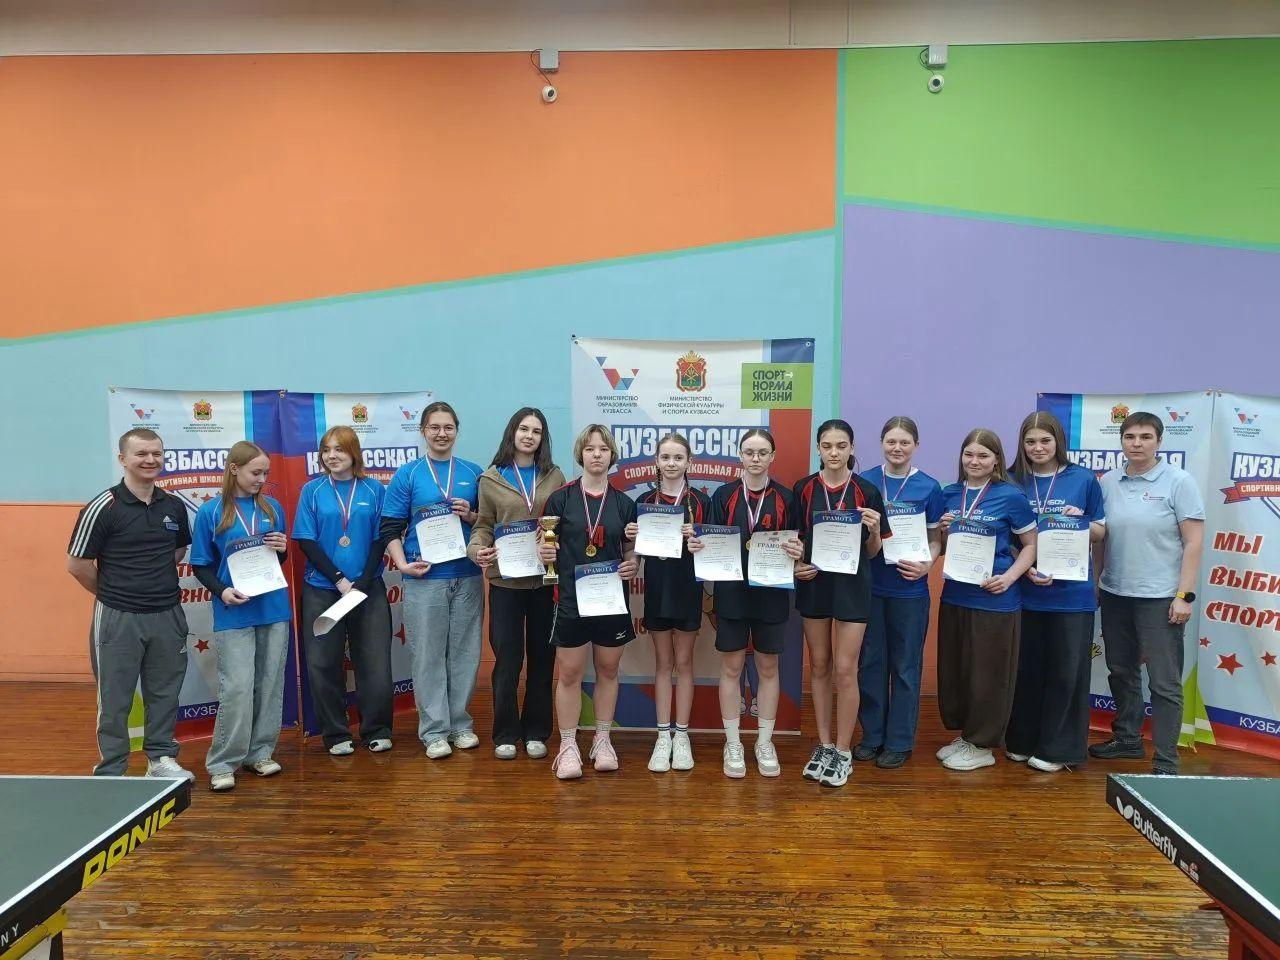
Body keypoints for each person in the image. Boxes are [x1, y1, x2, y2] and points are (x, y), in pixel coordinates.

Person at [67, 428, 195, 780]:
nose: (150, 460)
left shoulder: (173, 506)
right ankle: (112, 770)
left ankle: (161, 759)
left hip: (167, 614)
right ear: (123, 458)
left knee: (165, 693)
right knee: (115, 697)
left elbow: (177, 551)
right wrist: (115, 594)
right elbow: (77, 565)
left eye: (156, 453)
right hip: (118, 616)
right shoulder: (103, 506)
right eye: (141, 454)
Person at [1090, 411, 1205, 776]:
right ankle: (1127, 739)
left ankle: (1166, 761)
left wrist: (1184, 595)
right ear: (1121, 441)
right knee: (1120, 670)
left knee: (1163, 682)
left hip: (1161, 598)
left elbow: (1194, 542)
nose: (1137, 443)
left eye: (1145, 437)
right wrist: (1097, 580)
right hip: (1115, 592)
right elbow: (1101, 539)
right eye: (1130, 437)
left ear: (1159, 441)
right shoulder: (1109, 481)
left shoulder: (1179, 481)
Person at [690, 428, 800, 780]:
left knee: (768, 667)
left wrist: (799, 550)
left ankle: (764, 742)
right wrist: (698, 546)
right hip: (732, 593)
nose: (755, 458)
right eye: (749, 452)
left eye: (762, 452)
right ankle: (733, 742)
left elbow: (800, 542)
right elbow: (710, 541)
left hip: (771, 593)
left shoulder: (786, 497)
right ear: (740, 455)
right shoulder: (723, 496)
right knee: (732, 667)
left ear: (772, 456)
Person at [381, 401, 484, 759]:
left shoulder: (474, 472)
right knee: (427, 656)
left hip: (467, 577)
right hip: (424, 578)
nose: (442, 434)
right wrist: (402, 565)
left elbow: (486, 524)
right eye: (435, 427)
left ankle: (460, 725)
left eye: (448, 427)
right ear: (423, 430)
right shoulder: (408, 475)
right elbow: (390, 527)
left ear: (457, 430)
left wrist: (471, 515)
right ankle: (434, 731)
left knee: (465, 655)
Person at [1005, 412, 1106, 772]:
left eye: (1045, 441)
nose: (1038, 448)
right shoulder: (1012, 480)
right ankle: (1022, 740)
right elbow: (1006, 535)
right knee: (1026, 671)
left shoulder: (1082, 479)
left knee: (1067, 672)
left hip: (1071, 595)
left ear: (1058, 442)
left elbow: (1101, 531)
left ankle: (1059, 749)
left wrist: (1080, 522)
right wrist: (1024, 566)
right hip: (1025, 591)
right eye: (1030, 441)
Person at [190, 440, 292, 792]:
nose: (261, 479)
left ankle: (260, 753)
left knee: (270, 683)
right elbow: (200, 565)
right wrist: (222, 591)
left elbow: (278, 560)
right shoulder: (211, 512)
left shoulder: (273, 507)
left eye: (265, 473)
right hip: (233, 610)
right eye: (255, 472)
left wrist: (282, 550)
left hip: (273, 608)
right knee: (237, 687)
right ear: (234, 469)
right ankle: (223, 762)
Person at [539, 424, 639, 780]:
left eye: (603, 449)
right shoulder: (560, 499)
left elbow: (630, 549)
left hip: (611, 602)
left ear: (612, 456)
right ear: (580, 454)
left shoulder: (625, 504)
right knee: (569, 673)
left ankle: (602, 739)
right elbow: (545, 546)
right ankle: (568, 745)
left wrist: (633, 563)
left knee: (609, 670)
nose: (597, 454)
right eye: (590, 448)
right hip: (570, 599)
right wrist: (543, 552)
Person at [793, 419, 889, 788]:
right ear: (818, 448)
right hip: (815, 585)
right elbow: (795, 541)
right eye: (827, 445)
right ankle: (825, 744)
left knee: (846, 669)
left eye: (841, 445)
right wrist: (797, 564)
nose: (834, 452)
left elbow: (874, 552)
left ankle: (844, 751)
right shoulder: (803, 489)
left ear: (852, 448)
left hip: (853, 587)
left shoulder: (867, 491)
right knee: (819, 665)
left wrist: (874, 530)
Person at [935, 428, 1037, 772]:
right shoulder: (950, 494)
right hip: (956, 595)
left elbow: (1031, 545)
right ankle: (968, 736)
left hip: (995, 599)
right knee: (959, 671)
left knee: (988, 674)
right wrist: (943, 531)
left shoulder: (1011, 496)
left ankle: (983, 745)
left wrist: (1010, 577)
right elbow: (943, 548)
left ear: (996, 460)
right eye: (969, 454)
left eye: (983, 455)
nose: (974, 461)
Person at [468, 407, 566, 761]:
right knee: (507, 660)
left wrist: (555, 542)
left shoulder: (554, 476)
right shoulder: (491, 479)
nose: (529, 436)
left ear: (543, 438)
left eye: (536, 431)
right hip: (506, 584)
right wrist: (477, 549)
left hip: (544, 582)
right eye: (524, 429)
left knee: (543, 659)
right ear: (512, 433)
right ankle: (505, 732)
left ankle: (537, 731)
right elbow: (483, 525)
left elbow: (563, 524)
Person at [292, 426, 394, 756]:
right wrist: (339, 580)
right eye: (326, 450)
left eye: (339, 449)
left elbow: (381, 537)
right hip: (323, 589)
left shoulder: (374, 490)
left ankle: (377, 729)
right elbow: (306, 540)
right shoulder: (312, 490)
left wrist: (361, 583)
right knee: (323, 663)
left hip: (367, 588)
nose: (331, 455)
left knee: (375, 663)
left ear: (354, 452)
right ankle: (336, 734)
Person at [856, 415, 945, 770]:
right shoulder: (865, 481)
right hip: (870, 587)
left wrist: (928, 565)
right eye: (891, 441)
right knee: (871, 663)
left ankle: (899, 741)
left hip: (910, 589)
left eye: (904, 442)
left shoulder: (929, 487)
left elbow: (936, 539)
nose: (897, 448)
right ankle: (872, 736)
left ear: (916, 446)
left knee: (906, 667)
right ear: (882, 443)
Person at [626, 433, 710, 773]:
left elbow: (715, 551)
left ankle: (682, 735)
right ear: (656, 462)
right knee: (663, 664)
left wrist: (700, 542)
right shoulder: (644, 501)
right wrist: (632, 539)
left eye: (678, 457)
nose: (672, 463)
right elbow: (634, 552)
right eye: (665, 457)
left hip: (688, 588)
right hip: (658, 589)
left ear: (689, 462)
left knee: (684, 663)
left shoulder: (701, 501)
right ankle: (663, 736)